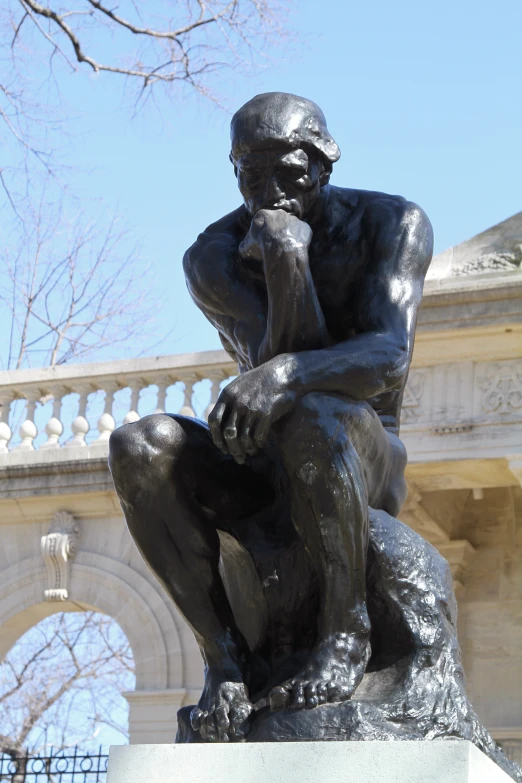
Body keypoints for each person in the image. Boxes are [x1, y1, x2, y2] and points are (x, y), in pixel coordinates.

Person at [109, 92, 433, 743]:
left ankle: (346, 634)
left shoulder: (391, 224)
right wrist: (285, 259)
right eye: (250, 176)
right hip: (266, 455)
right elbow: (271, 359)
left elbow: (387, 359)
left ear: (322, 162)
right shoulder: (213, 255)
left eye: (285, 171)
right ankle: (224, 659)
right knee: (139, 445)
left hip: (365, 449)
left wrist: (286, 356)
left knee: (311, 408)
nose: (268, 191)